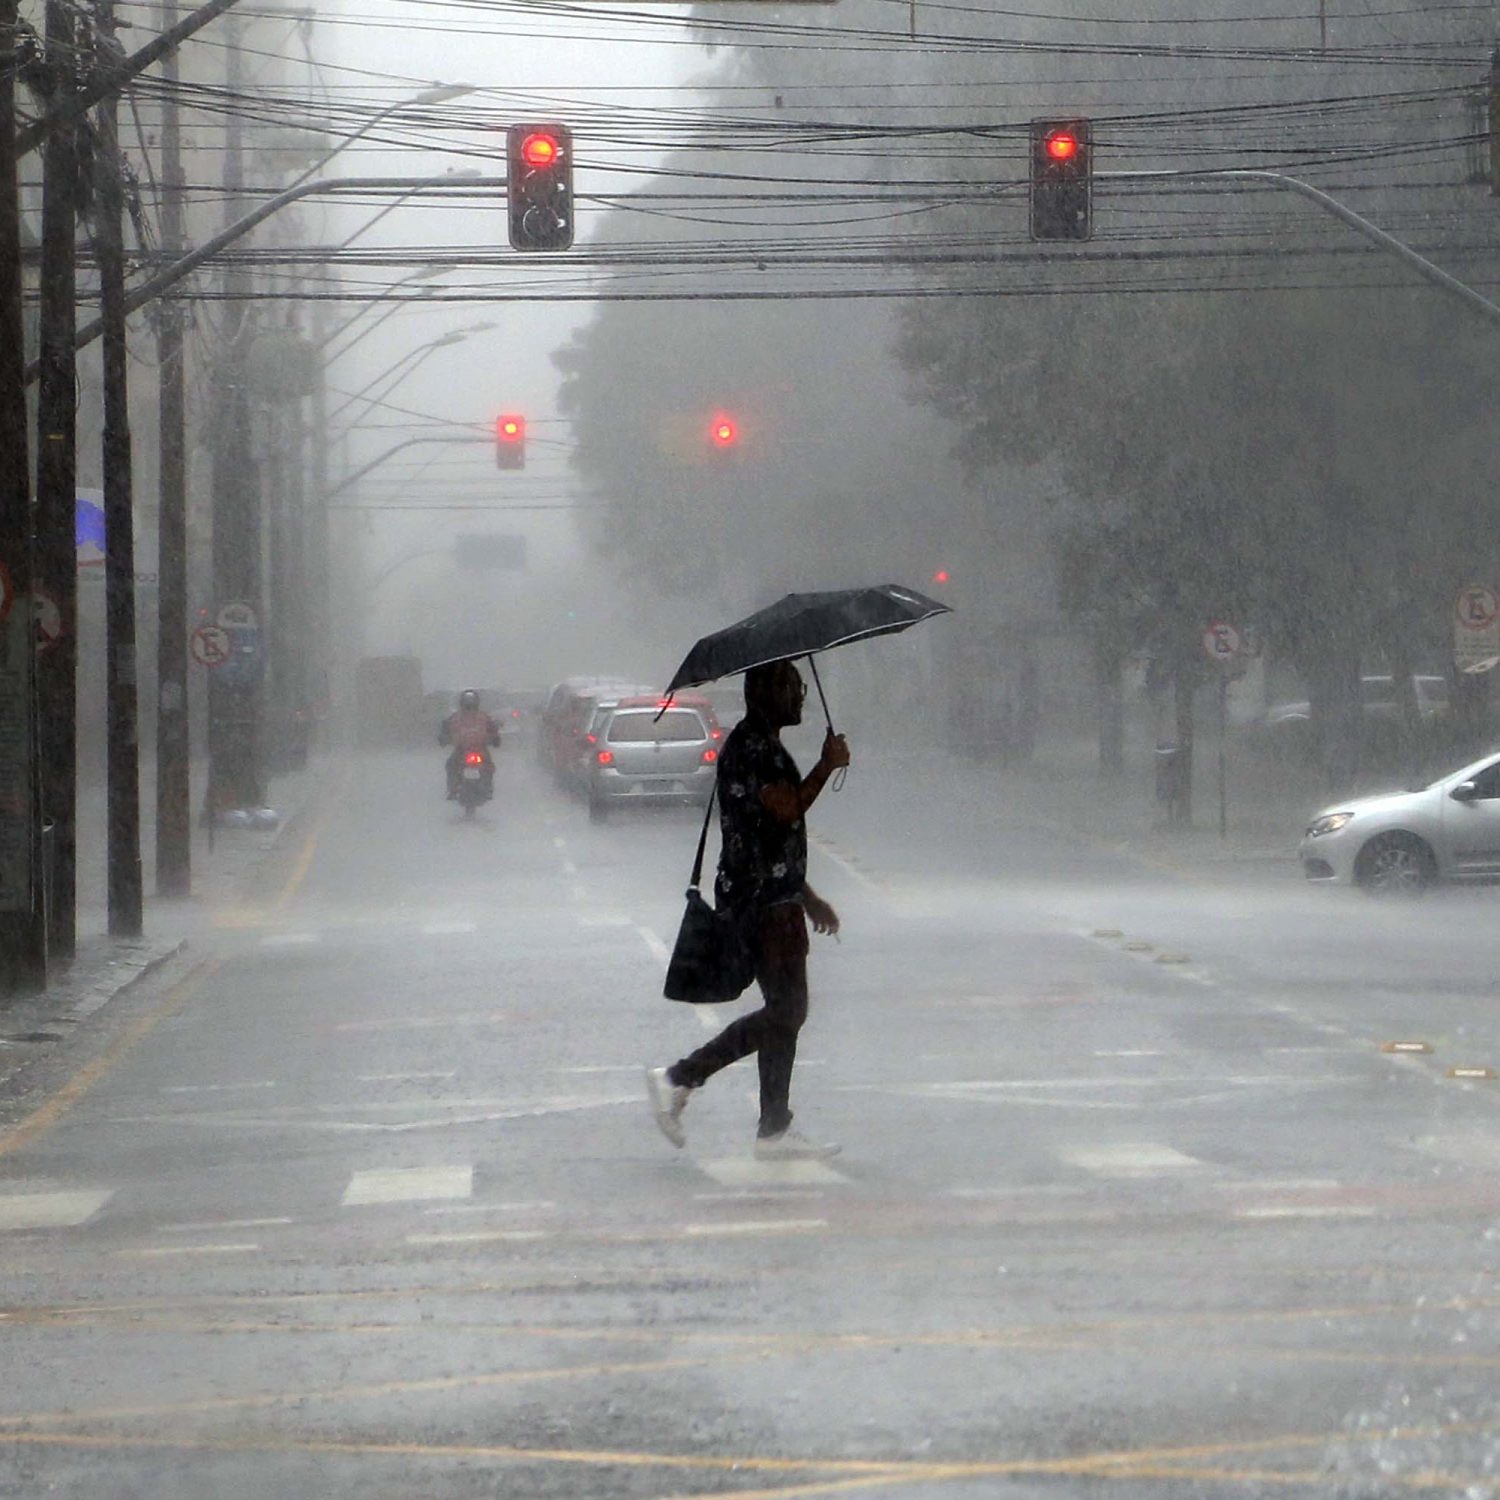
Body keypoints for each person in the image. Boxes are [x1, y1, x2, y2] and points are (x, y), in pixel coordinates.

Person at [646, 659, 851, 1160]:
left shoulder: (761, 743)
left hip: (773, 898)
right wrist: (827, 765)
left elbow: (769, 837)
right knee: (788, 1010)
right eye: (790, 687)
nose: (800, 696)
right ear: (762, 692)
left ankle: (774, 1129)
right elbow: (786, 809)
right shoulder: (752, 748)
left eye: (801, 687)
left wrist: (807, 896)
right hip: (761, 906)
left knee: (787, 1012)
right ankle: (680, 1077)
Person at [439, 689, 501, 799]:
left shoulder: (482, 717)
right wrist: (444, 738)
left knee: (488, 767)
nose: (469, 707)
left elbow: (493, 729)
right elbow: (446, 729)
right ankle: (454, 788)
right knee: (451, 765)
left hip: (477, 749)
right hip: (463, 749)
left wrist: (495, 738)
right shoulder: (456, 718)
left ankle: (486, 787)